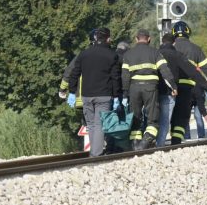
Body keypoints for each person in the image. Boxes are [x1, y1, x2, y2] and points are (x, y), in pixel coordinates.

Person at [63, 28, 121, 157]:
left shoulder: (84, 54)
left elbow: (74, 73)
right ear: (108, 38)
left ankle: (94, 153)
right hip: (104, 95)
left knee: (91, 124)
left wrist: (72, 92)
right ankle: (96, 154)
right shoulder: (112, 55)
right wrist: (117, 97)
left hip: (86, 96)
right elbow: (115, 78)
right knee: (99, 124)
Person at [122, 29, 177, 150]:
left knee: (135, 117)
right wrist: (173, 86)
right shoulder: (155, 53)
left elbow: (125, 77)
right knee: (153, 119)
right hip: (151, 88)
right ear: (149, 39)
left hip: (134, 88)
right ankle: (144, 142)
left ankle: (135, 145)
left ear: (136, 39)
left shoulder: (128, 54)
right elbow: (165, 71)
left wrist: (125, 94)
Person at [156, 33, 207, 147]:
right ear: (174, 43)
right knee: (177, 118)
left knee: (156, 119)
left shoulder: (155, 54)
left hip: (155, 91)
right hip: (171, 92)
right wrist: (206, 86)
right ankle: (174, 143)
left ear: (162, 41)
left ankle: (150, 143)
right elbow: (193, 71)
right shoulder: (177, 55)